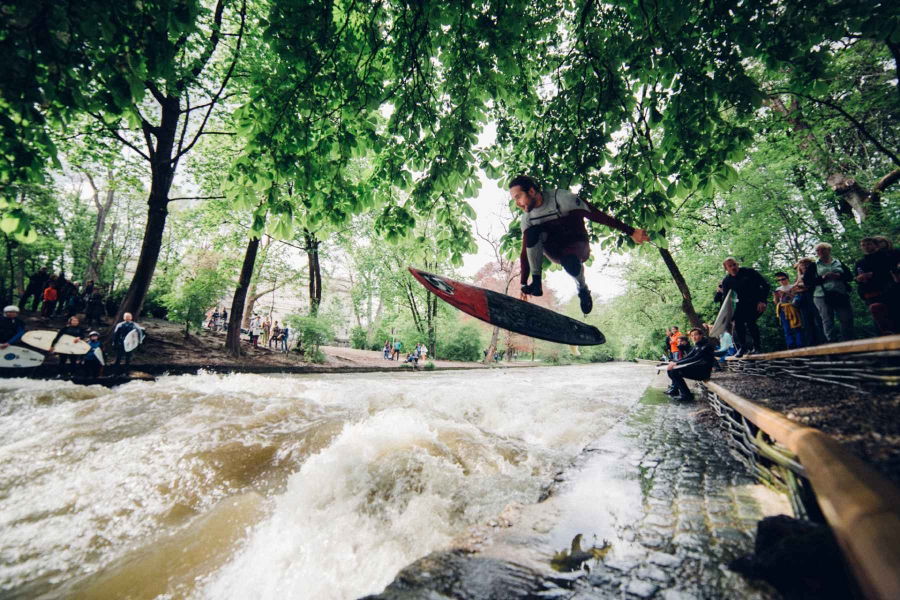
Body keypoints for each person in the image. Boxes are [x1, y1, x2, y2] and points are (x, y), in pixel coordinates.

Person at [509, 175, 650, 314]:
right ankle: (536, 282)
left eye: (518, 197)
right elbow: (525, 253)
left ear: (532, 191)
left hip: (576, 245)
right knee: (531, 234)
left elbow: (595, 214)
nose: (517, 203)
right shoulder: (527, 218)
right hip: (555, 250)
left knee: (570, 262)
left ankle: (582, 288)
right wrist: (523, 283)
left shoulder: (562, 198)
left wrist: (631, 231)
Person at [714, 257, 770, 356]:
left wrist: (762, 301)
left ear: (738, 264)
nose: (733, 267)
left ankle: (757, 347)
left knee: (750, 322)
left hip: (755, 303)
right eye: (730, 266)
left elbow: (765, 285)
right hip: (739, 306)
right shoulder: (727, 281)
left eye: (734, 264)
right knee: (738, 325)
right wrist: (728, 315)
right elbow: (727, 299)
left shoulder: (749, 272)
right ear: (726, 268)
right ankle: (742, 348)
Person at [812, 242, 854, 342]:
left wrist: (839, 276)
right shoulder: (814, 266)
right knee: (827, 320)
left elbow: (850, 277)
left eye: (823, 249)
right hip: (821, 296)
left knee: (846, 318)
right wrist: (823, 278)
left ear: (829, 250)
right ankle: (832, 343)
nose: (820, 252)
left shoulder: (838, 262)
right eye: (818, 250)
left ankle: (848, 342)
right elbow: (808, 282)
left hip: (840, 294)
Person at [855, 237, 895, 335]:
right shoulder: (860, 262)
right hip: (870, 293)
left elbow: (889, 271)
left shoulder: (885, 257)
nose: (866, 247)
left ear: (875, 245)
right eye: (863, 245)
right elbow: (856, 278)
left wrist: (872, 274)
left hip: (888, 290)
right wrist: (859, 279)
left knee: (893, 316)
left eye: (868, 244)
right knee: (878, 319)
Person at [666, 328, 717, 402]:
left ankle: (687, 395)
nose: (693, 337)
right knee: (671, 370)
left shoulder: (707, 345)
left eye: (695, 335)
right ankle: (679, 391)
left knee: (674, 372)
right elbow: (688, 357)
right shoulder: (697, 345)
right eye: (692, 336)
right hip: (698, 369)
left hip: (703, 373)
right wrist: (675, 362)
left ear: (701, 335)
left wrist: (676, 363)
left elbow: (695, 358)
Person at [773, 271, 804, 349]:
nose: (781, 281)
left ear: (787, 278)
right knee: (787, 328)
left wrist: (786, 293)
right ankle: (790, 345)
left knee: (797, 326)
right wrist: (775, 296)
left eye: (783, 279)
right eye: (779, 280)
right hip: (783, 309)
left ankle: (800, 344)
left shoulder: (793, 286)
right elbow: (776, 302)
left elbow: (797, 298)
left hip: (793, 308)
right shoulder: (778, 289)